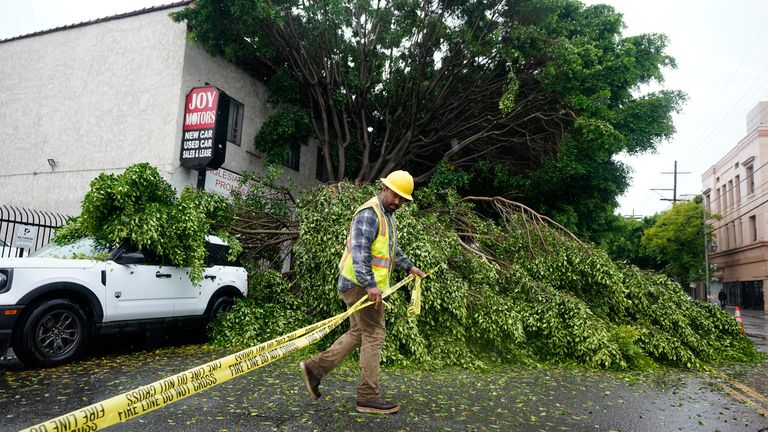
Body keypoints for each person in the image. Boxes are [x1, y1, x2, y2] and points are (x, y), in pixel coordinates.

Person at [300, 170, 426, 414]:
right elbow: (360, 253)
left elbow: (391, 250)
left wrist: (409, 266)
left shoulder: (388, 215)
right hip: (359, 285)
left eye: (403, 199)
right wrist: (370, 285)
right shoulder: (370, 213)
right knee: (375, 334)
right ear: (385, 188)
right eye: (395, 196)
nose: (398, 202)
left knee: (359, 332)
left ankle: (315, 369)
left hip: (360, 284)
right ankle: (367, 396)